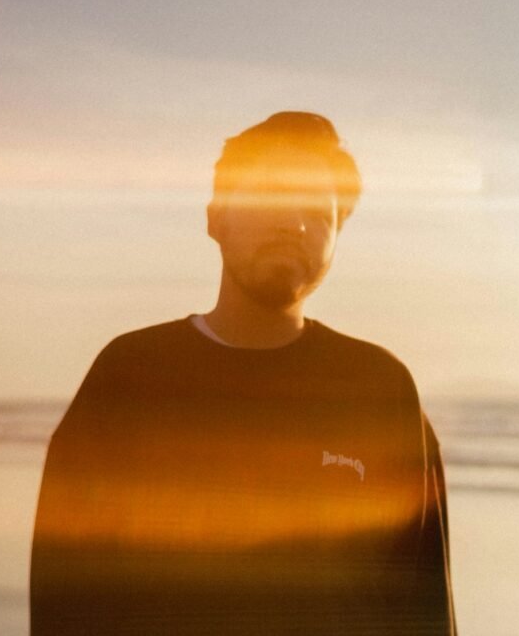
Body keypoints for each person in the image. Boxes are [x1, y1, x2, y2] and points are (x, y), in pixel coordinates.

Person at [30, 111, 458, 635]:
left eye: (318, 212)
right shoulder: (131, 375)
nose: (293, 222)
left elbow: (422, 607)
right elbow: (65, 602)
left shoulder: (378, 387)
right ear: (217, 218)